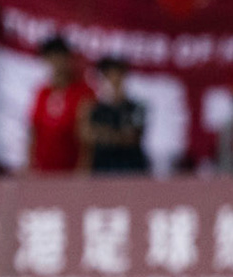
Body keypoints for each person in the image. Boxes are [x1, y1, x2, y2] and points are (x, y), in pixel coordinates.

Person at [27, 36, 91, 174]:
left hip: (70, 171)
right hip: (44, 171)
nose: (57, 63)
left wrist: (83, 171)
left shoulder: (83, 92)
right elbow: (34, 132)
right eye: (52, 57)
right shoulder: (42, 93)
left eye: (60, 57)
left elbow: (87, 139)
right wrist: (29, 166)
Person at [86, 55, 148, 174]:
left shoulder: (137, 108)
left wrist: (102, 133)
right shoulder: (94, 108)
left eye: (117, 74)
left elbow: (132, 138)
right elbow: (87, 135)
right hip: (101, 171)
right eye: (108, 75)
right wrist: (117, 135)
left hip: (131, 171)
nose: (113, 79)